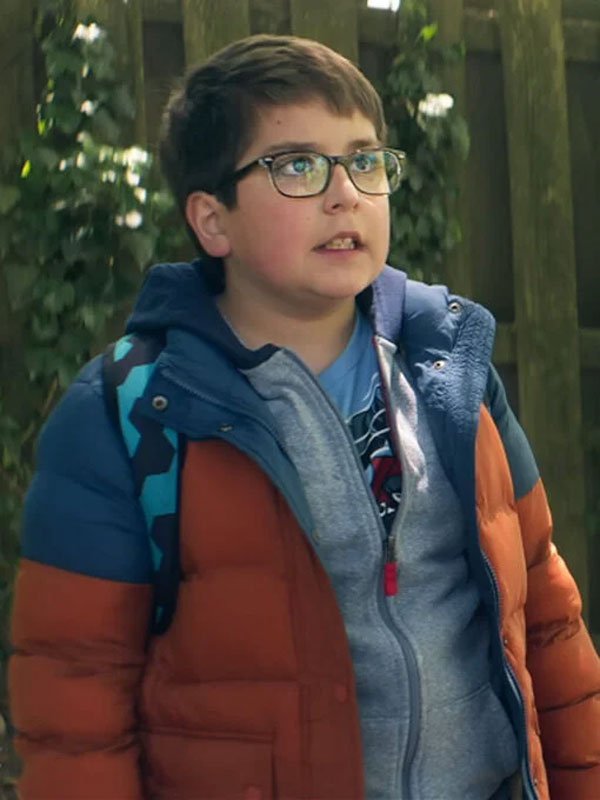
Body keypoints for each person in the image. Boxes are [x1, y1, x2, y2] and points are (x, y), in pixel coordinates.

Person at [9, 33, 599, 800]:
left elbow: (547, 616)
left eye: (364, 161)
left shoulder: (450, 366)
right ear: (212, 221)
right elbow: (75, 701)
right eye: (296, 166)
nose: (345, 193)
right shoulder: (126, 415)